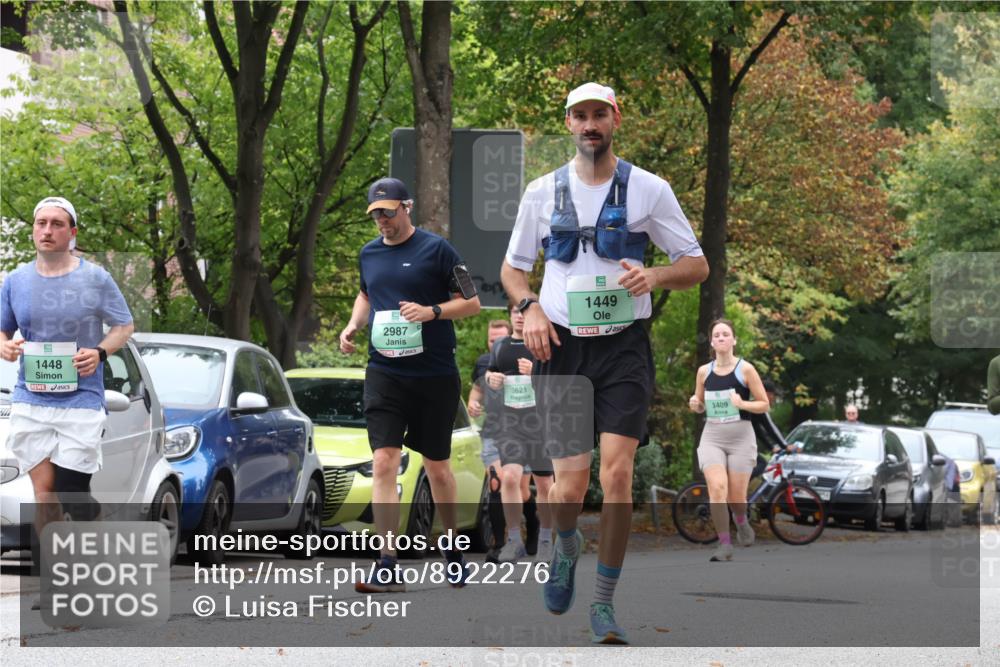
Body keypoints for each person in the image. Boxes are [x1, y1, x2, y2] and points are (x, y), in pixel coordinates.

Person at [501, 82, 709, 644]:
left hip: (623, 348)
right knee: (567, 491)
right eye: (580, 116)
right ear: (569, 123)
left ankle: (603, 604)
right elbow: (513, 270)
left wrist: (656, 274)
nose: (590, 124)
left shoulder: (649, 189)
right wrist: (528, 307)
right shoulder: (542, 192)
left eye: (600, 114)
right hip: (562, 348)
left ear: (616, 118)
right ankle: (567, 544)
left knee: (617, 475)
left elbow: (697, 264)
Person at [340, 178, 481, 592]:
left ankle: (452, 548)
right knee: (384, 461)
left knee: (438, 467)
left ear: (407, 207)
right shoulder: (369, 253)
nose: (382, 220)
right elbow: (366, 294)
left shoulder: (438, 250)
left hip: (433, 375)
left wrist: (431, 311)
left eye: (388, 211)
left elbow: (472, 303)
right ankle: (387, 562)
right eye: (376, 214)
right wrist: (353, 325)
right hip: (385, 372)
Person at [0, 196, 134, 549]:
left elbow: (124, 326)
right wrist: (5, 346)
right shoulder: (16, 281)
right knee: (45, 495)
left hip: (81, 399)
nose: (47, 230)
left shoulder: (95, 278)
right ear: (33, 230)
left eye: (57, 224)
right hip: (31, 397)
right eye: (41, 223)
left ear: (72, 233)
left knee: (71, 491)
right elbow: (2, 329)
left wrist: (100, 352)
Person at [689, 319, 772, 562]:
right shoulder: (704, 372)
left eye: (726, 334)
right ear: (712, 342)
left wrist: (742, 403)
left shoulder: (746, 369)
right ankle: (724, 544)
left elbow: (764, 404)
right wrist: (695, 404)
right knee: (717, 489)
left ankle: (741, 520)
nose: (721, 338)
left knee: (736, 499)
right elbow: (700, 403)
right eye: (717, 335)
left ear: (734, 340)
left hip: (741, 438)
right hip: (712, 436)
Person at [484, 302, 554, 564]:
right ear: (511, 316)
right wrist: (491, 379)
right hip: (510, 422)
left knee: (545, 484)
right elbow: (490, 373)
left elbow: (561, 379)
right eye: (516, 312)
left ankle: (545, 540)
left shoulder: (544, 341)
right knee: (510, 478)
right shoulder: (501, 346)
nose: (521, 317)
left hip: (540, 423)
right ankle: (514, 540)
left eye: (525, 313)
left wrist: (535, 372)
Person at [468, 318, 517, 562]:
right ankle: (498, 543)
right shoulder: (483, 363)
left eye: (500, 340)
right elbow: (476, 390)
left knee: (520, 489)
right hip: (493, 430)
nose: (495, 344)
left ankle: (533, 531)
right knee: (497, 483)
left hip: (524, 431)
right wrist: (473, 404)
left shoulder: (523, 357)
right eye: (491, 340)